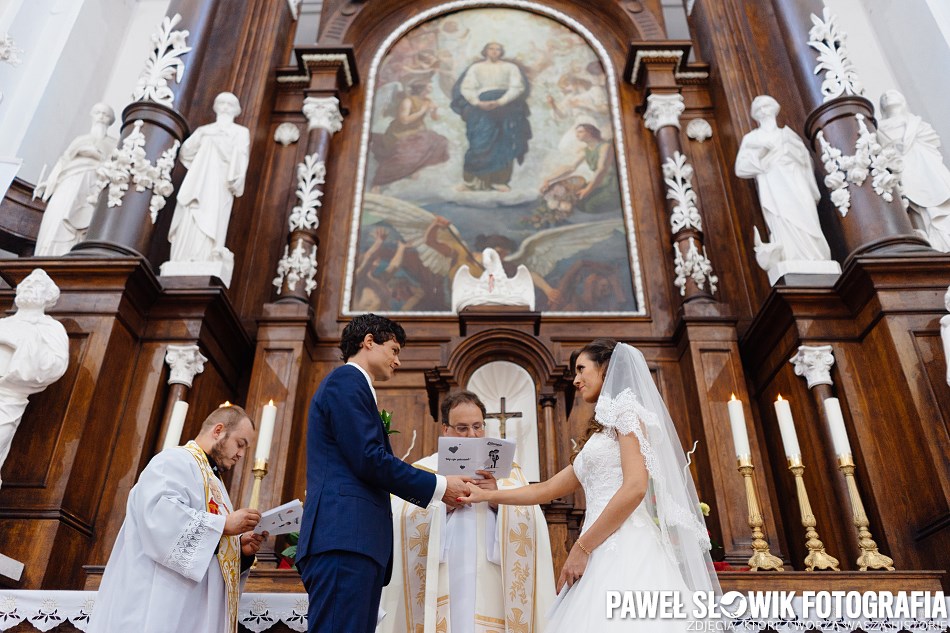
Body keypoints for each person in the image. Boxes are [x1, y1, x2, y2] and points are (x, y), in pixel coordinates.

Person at [461, 339, 720, 631]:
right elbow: (545, 489)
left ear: (605, 368)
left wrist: (582, 548)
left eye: (582, 369)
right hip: (599, 544)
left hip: (625, 547)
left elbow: (635, 487)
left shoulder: (627, 414)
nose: (575, 379)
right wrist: (488, 494)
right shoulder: (602, 431)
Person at [296, 314, 472, 633]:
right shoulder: (346, 381)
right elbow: (369, 458)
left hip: (355, 542)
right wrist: (439, 486)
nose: (398, 361)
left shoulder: (355, 386)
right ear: (368, 342)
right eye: (393, 349)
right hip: (344, 539)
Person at [379, 391, 555, 633]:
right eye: (462, 428)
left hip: (491, 577)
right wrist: (442, 503)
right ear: (446, 430)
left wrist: (497, 498)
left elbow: (532, 518)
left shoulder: (508, 473)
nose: (472, 435)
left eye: (477, 426)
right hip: (445, 573)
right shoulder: (424, 470)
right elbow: (399, 517)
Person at [89, 405, 266, 633]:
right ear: (218, 430)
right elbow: (160, 520)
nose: (241, 454)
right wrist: (223, 525)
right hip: (159, 604)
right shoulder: (173, 460)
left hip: (192, 610)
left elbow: (211, 545)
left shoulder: (215, 483)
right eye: (240, 444)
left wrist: (239, 549)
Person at [735, 95, 832, 263]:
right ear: (755, 114)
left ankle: (815, 255)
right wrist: (761, 153)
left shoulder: (788, 135)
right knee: (783, 218)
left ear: (775, 108)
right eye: (760, 108)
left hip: (796, 181)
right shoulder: (752, 139)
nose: (764, 111)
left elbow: (806, 162)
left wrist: (794, 153)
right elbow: (741, 168)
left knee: (806, 215)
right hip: (773, 185)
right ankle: (792, 256)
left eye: (767, 106)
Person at [0, 269, 69, 490]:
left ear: (48, 296)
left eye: (36, 285)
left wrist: (19, 344)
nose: (29, 286)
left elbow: (54, 366)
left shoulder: (51, 329)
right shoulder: (4, 323)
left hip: (9, 399)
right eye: (26, 283)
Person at [167, 92, 250, 265]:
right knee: (191, 211)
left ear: (236, 110)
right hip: (199, 179)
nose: (225, 107)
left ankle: (207, 254)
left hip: (220, 182)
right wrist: (205, 145)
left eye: (229, 104)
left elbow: (242, 157)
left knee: (214, 214)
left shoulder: (240, 132)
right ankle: (184, 255)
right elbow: (186, 152)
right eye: (222, 103)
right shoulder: (204, 131)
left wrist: (236, 175)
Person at [33, 102, 117, 256]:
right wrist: (49, 184)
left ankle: (70, 255)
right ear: (92, 115)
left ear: (110, 120)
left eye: (106, 114)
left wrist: (99, 158)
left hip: (93, 184)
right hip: (69, 180)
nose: (101, 117)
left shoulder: (113, 144)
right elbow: (63, 161)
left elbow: (114, 165)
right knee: (58, 214)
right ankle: (48, 254)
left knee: (83, 223)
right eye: (98, 112)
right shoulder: (80, 140)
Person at [451, 42, 532, 192]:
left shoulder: (510, 67)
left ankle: (500, 180)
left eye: (498, 49)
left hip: (505, 107)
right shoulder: (476, 68)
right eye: (491, 49)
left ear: (501, 52)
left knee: (505, 142)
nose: (495, 52)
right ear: (485, 51)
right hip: (480, 108)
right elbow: (467, 87)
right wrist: (477, 102)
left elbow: (517, 87)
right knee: (479, 142)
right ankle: (470, 182)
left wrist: (500, 101)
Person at [877, 89, 950, 251]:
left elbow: (931, 143)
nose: (888, 96)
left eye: (893, 93)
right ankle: (934, 237)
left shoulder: (916, 122)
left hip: (924, 164)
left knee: (936, 197)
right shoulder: (879, 127)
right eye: (884, 96)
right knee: (918, 206)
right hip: (902, 168)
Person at [370, 80, 449, 191]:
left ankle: (413, 170)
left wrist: (434, 111)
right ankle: (379, 181)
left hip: (418, 132)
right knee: (406, 155)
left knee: (440, 142)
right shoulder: (408, 101)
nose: (430, 88)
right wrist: (422, 110)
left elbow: (435, 118)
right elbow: (404, 120)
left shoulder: (427, 100)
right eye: (428, 86)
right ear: (422, 88)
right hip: (400, 133)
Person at [540, 123, 618, 215]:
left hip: (612, 185)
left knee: (590, 207)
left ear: (590, 133)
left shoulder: (605, 147)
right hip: (598, 183)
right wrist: (548, 179)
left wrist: (588, 189)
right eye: (576, 132)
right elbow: (571, 167)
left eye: (580, 132)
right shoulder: (586, 150)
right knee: (578, 203)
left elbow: (601, 169)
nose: (577, 135)